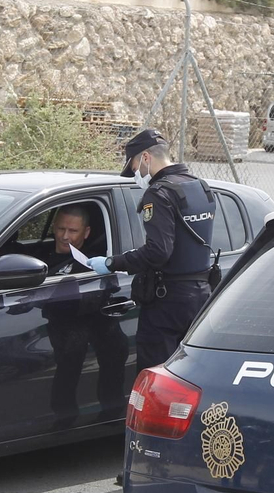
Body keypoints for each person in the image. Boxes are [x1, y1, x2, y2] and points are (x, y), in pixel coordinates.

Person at [89, 128, 217, 371]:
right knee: (190, 376)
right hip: (201, 297)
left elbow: (158, 252)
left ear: (146, 157)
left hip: (167, 302)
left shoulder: (159, 194)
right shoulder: (200, 186)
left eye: (135, 165)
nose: (136, 173)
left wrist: (111, 263)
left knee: (158, 378)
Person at [43, 204, 94, 276]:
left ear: (86, 232)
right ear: (54, 228)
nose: (65, 236)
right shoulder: (41, 253)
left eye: (73, 231)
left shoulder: (88, 264)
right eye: (61, 229)